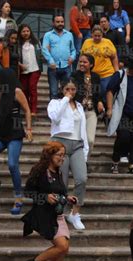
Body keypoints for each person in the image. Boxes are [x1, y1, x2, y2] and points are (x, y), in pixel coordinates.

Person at [21, 141, 78, 261]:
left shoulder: (58, 172)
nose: (62, 158)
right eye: (59, 155)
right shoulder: (39, 170)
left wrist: (68, 198)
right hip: (44, 215)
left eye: (63, 155)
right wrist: (44, 197)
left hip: (58, 215)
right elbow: (28, 192)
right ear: (50, 154)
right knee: (62, 245)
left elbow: (61, 192)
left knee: (64, 249)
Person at [0, 68, 33, 215]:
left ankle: (18, 197)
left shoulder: (16, 92)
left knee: (12, 164)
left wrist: (29, 128)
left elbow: (27, 110)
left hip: (15, 133)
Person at [47, 80, 88, 230]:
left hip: (77, 144)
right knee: (61, 181)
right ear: (62, 89)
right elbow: (55, 118)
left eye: (73, 89)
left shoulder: (79, 106)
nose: (71, 91)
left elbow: (83, 128)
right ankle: (60, 213)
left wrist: (86, 149)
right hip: (60, 143)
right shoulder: (55, 102)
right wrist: (65, 99)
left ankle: (75, 213)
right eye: (67, 89)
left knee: (82, 179)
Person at [71, 53, 104, 156]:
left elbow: (98, 92)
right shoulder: (74, 75)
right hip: (77, 111)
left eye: (85, 62)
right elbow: (69, 92)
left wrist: (99, 101)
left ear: (91, 64)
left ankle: (85, 161)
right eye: (80, 62)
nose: (81, 64)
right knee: (77, 139)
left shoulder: (96, 77)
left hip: (91, 111)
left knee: (90, 140)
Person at [42, 14, 76, 99]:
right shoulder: (48, 35)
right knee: (54, 92)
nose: (60, 23)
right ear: (53, 23)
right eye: (57, 22)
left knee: (67, 91)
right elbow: (44, 49)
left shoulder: (69, 35)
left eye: (62, 22)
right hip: (53, 67)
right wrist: (50, 61)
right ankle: (53, 112)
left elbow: (73, 50)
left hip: (66, 66)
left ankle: (65, 111)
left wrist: (72, 57)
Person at [81, 25, 119, 99]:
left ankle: (107, 108)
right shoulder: (86, 42)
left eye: (99, 36)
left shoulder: (108, 42)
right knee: (92, 93)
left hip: (106, 73)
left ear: (102, 35)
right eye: (95, 36)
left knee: (106, 91)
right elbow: (82, 57)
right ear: (92, 34)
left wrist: (117, 71)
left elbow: (114, 57)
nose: (97, 37)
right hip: (91, 74)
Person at [18, 24, 42, 116]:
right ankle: (26, 108)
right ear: (20, 33)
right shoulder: (18, 44)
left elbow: (41, 54)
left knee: (32, 87)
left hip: (35, 68)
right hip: (23, 70)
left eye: (27, 31)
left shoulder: (36, 42)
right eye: (23, 31)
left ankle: (33, 110)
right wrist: (20, 65)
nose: (26, 33)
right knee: (24, 90)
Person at [69, 0, 92, 69]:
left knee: (87, 50)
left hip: (87, 30)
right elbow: (73, 22)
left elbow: (90, 22)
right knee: (77, 51)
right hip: (78, 30)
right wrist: (78, 32)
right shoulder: (74, 9)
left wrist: (90, 16)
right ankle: (74, 70)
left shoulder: (86, 10)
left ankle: (86, 69)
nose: (86, 1)